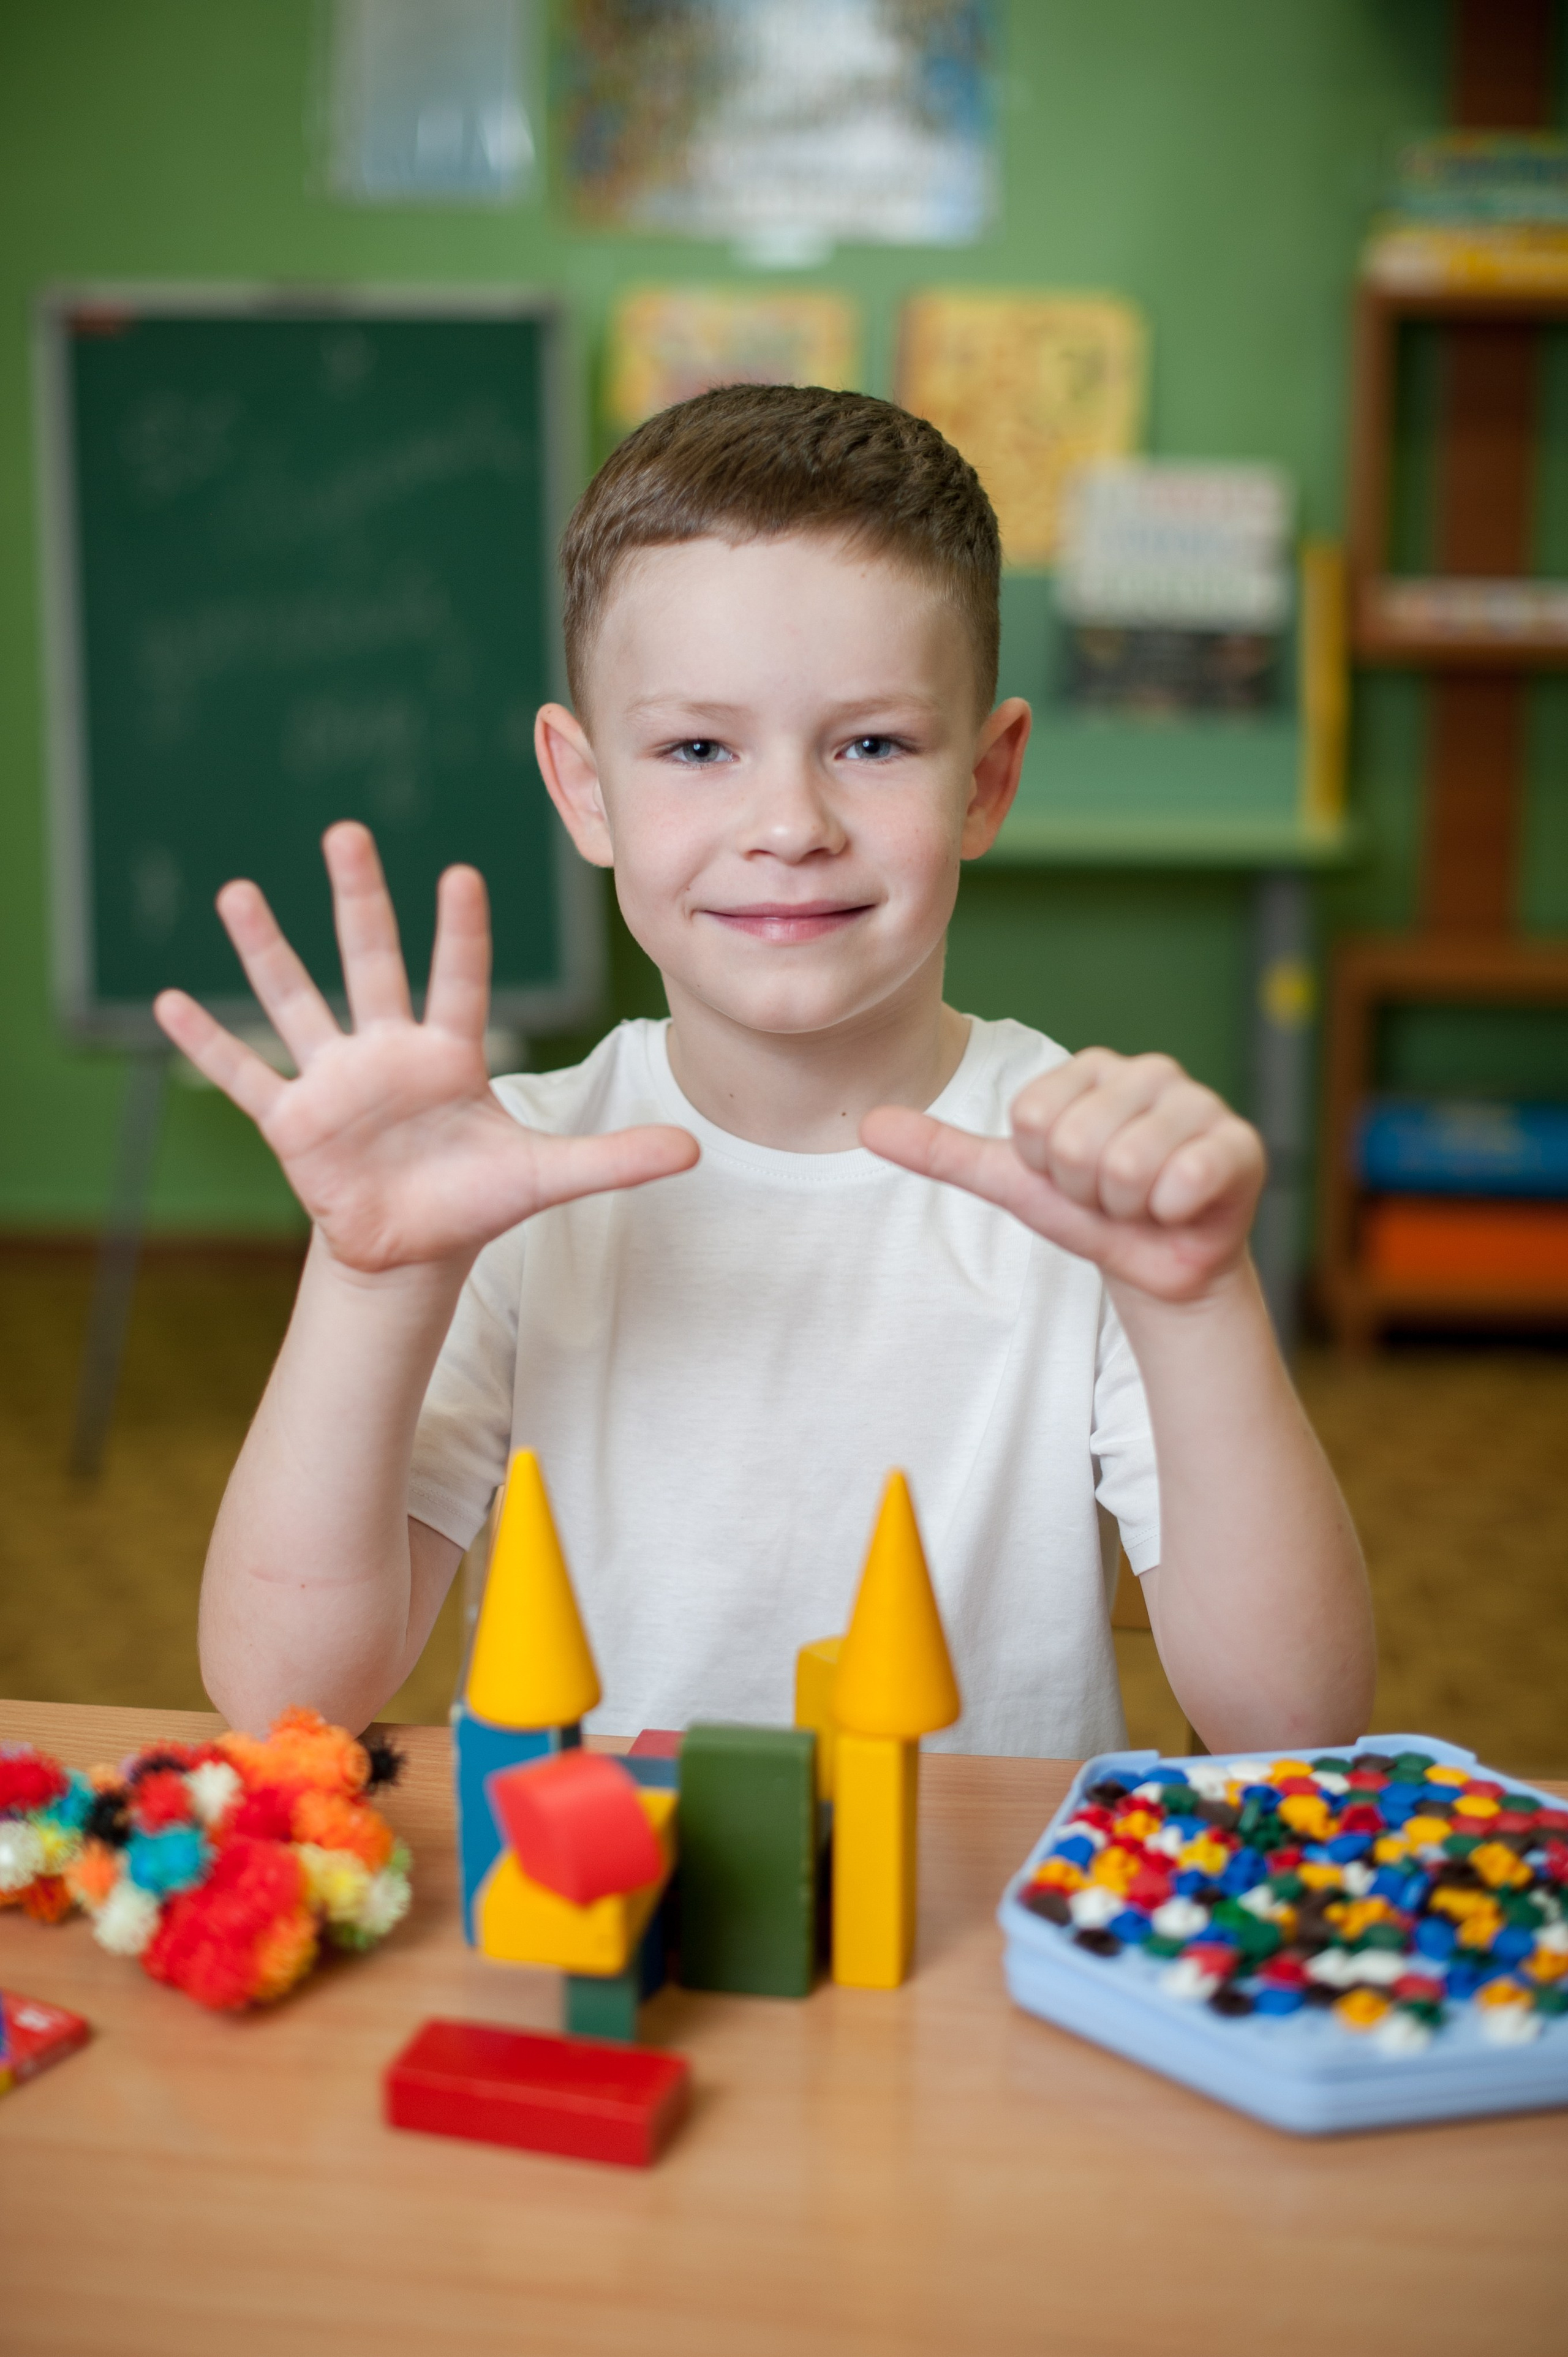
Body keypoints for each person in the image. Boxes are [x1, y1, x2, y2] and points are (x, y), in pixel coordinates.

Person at [155, 386, 1374, 1754]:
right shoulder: (500, 1180)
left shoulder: (1083, 1178)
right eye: (695, 748)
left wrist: (1196, 1304)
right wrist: (371, 1281)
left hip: (958, 1948)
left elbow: (1296, 1723)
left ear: (983, 780)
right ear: (584, 786)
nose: (787, 823)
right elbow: (287, 1698)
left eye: (869, 744)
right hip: (593, 1927)